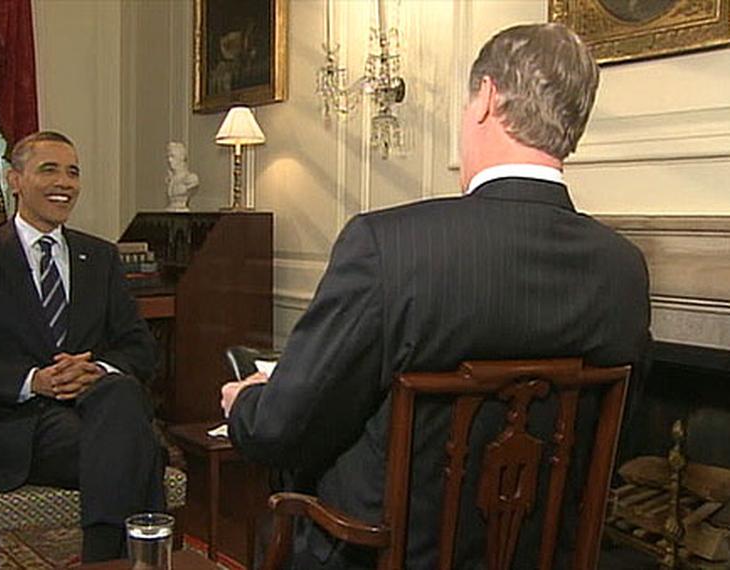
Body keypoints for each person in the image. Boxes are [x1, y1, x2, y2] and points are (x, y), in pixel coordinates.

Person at [221, 23, 651, 569]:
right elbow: (616, 447)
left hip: (376, 555)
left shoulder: (387, 247)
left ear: (488, 99)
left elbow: (281, 432)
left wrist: (248, 403)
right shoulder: (624, 270)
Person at [0, 131, 164, 563]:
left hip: (97, 413)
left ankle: (104, 561)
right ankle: (121, 559)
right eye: (49, 169)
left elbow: (140, 348)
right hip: (18, 427)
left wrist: (98, 370)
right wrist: (35, 381)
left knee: (120, 394)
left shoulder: (101, 256)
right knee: (139, 446)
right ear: (15, 180)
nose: (65, 182)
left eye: (73, 172)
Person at [165, 141, 199, 211]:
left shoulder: (191, 178)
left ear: (182, 157)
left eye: (172, 156)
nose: (169, 160)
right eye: (168, 157)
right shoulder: (169, 179)